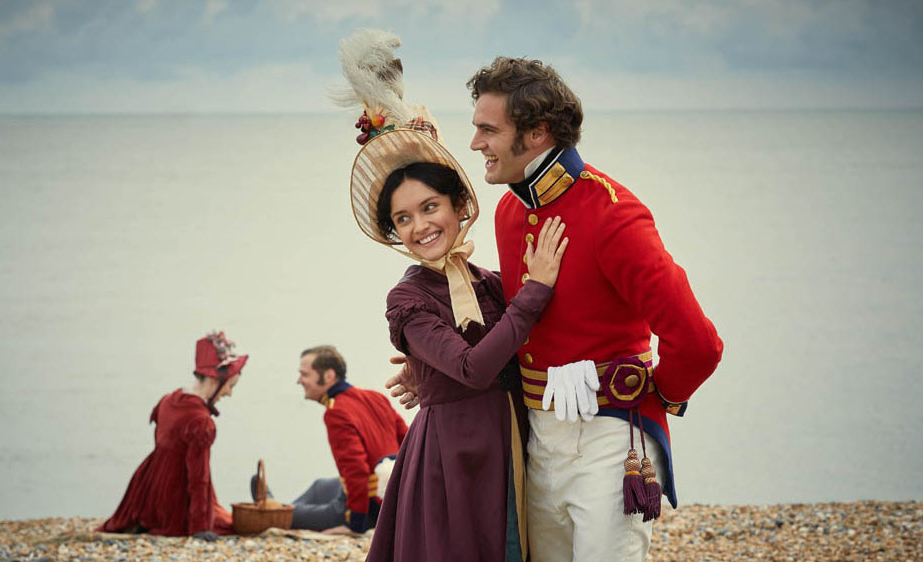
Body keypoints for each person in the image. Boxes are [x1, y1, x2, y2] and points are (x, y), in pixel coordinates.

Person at [463, 57, 724, 561]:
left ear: (537, 132)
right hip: (538, 439)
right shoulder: (510, 210)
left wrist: (655, 396)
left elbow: (698, 343)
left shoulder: (613, 213)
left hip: (611, 441)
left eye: (488, 130)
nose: (476, 143)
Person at [349, 124, 569, 562]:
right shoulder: (407, 297)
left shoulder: (489, 282)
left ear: (460, 205)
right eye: (403, 219)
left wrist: (424, 368)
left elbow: (519, 346)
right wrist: (535, 290)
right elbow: (473, 368)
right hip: (451, 456)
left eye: (430, 207)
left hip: (511, 441)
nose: (420, 227)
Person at [98, 331, 247, 541]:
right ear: (215, 380)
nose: (229, 393)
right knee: (231, 524)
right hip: (175, 496)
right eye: (230, 386)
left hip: (145, 490)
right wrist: (200, 527)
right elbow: (199, 478)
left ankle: (147, 518)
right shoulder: (201, 422)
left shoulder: (168, 400)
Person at [270, 345, 408, 534]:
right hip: (386, 495)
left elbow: (356, 471)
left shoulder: (336, 412)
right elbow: (410, 442)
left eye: (304, 374)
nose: (299, 380)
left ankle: (273, 512)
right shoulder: (375, 397)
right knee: (319, 486)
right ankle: (275, 505)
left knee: (290, 517)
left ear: (328, 376)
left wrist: (354, 524)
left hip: (369, 507)